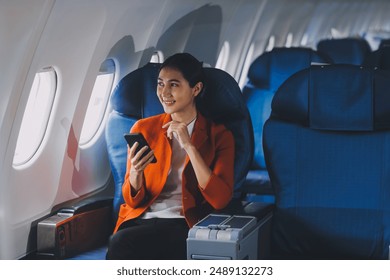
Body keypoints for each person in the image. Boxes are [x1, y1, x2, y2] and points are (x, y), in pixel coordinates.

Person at [106, 53, 235, 260]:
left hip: (185, 222)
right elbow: (132, 201)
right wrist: (136, 173)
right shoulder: (143, 128)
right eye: (160, 84)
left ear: (196, 89)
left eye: (174, 85)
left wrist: (189, 146)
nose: (164, 92)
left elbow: (220, 200)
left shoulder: (219, 135)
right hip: (142, 219)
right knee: (121, 241)